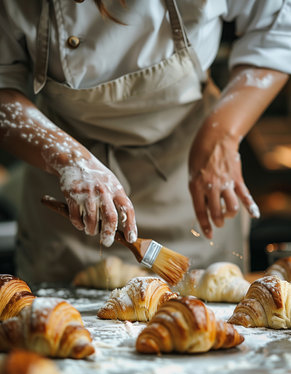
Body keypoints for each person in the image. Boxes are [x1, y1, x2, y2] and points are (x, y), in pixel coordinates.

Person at [0, 0, 290, 283]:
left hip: (189, 180)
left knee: (208, 317)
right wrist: (67, 159)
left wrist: (222, 134)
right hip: (72, 199)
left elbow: (277, 25)